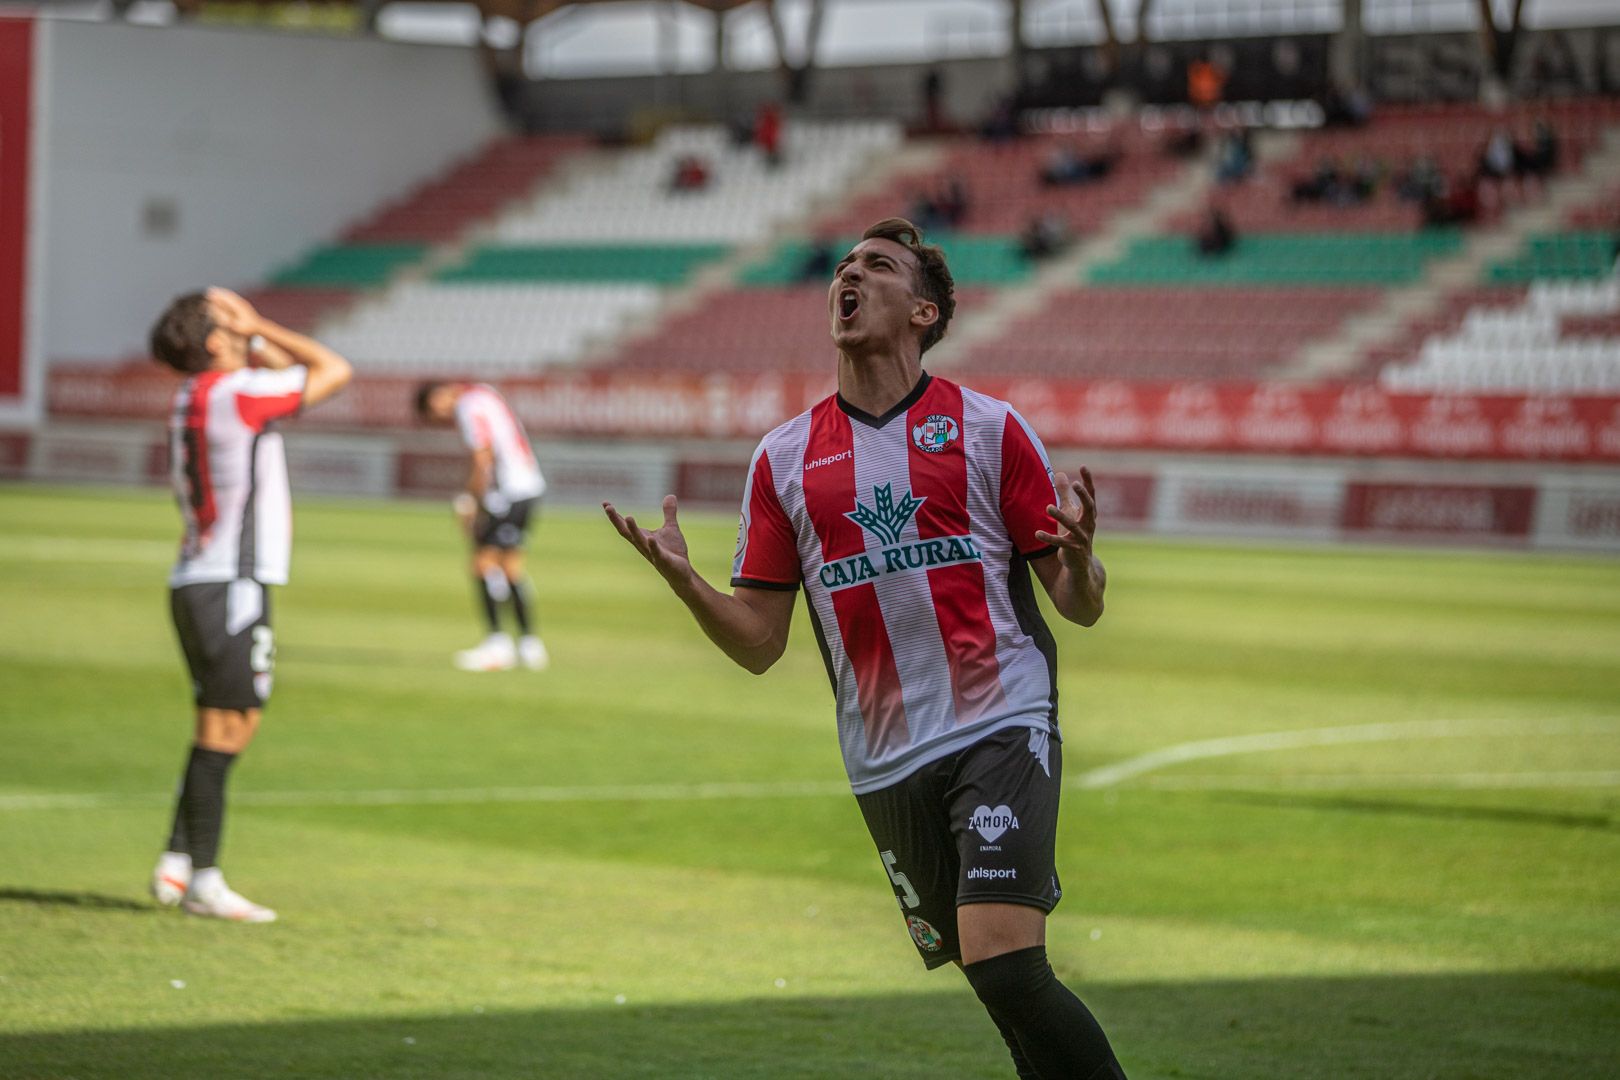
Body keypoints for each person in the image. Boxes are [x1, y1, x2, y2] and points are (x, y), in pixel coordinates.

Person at [604, 217, 1126, 1080]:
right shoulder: (783, 458)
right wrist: (687, 584)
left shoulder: (989, 429)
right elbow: (759, 644)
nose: (849, 277)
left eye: (877, 267)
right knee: (995, 983)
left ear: (923, 311)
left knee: (1005, 959)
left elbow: (1077, 605)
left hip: (999, 719)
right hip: (883, 757)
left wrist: (1080, 562)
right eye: (843, 268)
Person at [147, 287, 352, 921]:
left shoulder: (196, 393)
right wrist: (263, 324)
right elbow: (334, 370)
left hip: (203, 580)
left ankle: (180, 857)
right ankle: (203, 878)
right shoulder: (238, 395)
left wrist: (248, 335)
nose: (243, 333)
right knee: (222, 725)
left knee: (236, 721)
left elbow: (267, 372)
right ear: (214, 342)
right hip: (230, 582)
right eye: (230, 327)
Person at [415, 381, 549, 673]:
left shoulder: (467, 405)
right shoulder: (485, 393)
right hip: (528, 486)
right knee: (511, 566)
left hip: (507, 492)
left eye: (434, 412)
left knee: (482, 564)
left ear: (438, 397)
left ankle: (497, 645)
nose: (440, 418)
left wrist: (470, 500)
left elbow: (482, 455)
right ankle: (529, 645)